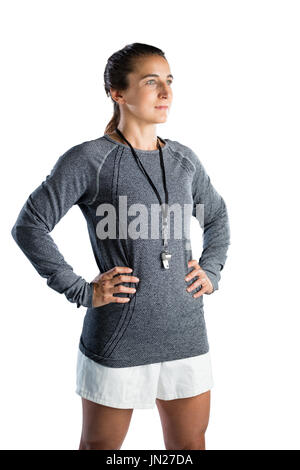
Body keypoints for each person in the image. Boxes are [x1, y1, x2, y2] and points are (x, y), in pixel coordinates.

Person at [11, 43, 231, 450]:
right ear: (118, 92)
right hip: (119, 334)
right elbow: (30, 225)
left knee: (190, 444)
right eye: (151, 82)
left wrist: (212, 270)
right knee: (101, 447)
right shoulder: (90, 159)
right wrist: (80, 289)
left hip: (185, 331)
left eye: (169, 81)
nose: (166, 92)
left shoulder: (184, 160)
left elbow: (216, 216)